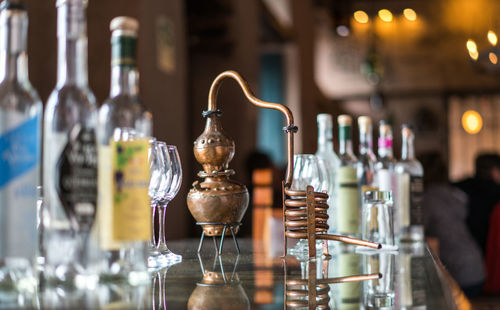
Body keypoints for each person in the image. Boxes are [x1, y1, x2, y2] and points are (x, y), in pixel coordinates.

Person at [420, 152, 485, 297]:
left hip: (460, 272)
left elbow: (417, 232)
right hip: (476, 265)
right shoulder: (455, 194)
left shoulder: (428, 199)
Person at [454, 153, 500, 254]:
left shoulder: (463, 187)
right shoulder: (497, 192)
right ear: (494, 170)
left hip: (467, 243)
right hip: (489, 244)